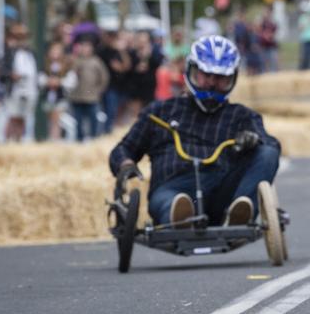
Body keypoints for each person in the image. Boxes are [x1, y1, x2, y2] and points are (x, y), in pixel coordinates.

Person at [109, 35, 281, 227]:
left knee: (268, 152)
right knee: (173, 202)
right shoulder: (159, 112)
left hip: (222, 189)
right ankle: (179, 217)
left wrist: (253, 140)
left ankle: (240, 210)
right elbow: (124, 149)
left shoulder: (242, 117)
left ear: (232, 78)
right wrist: (126, 164)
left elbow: (270, 146)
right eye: (206, 76)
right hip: (173, 185)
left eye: (221, 78)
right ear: (192, 72)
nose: (212, 84)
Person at [0, 25, 38, 142]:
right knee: (13, 117)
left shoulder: (31, 53)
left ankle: (18, 140)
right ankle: (8, 140)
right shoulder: (9, 52)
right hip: (14, 90)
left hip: (29, 89)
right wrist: (12, 75)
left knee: (23, 117)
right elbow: (2, 71)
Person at [68, 38, 109, 140]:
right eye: (83, 47)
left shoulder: (96, 61)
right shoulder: (74, 61)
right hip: (76, 96)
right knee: (78, 121)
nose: (85, 49)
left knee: (93, 120)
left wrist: (99, 90)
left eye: (87, 47)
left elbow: (104, 78)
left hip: (92, 97)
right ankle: (79, 139)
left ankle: (94, 138)